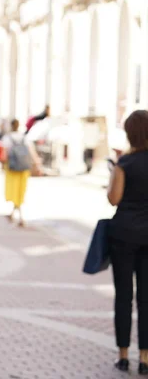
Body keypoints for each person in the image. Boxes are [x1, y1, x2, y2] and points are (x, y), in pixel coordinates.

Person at [107, 110, 148, 375]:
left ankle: (123, 356)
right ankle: (145, 358)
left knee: (124, 296)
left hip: (123, 235)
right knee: (147, 298)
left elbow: (114, 199)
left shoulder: (124, 163)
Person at [2, 118, 40, 227]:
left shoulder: (7, 138)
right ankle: (16, 214)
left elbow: (4, 154)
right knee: (20, 191)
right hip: (24, 167)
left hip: (12, 167)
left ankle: (20, 217)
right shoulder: (25, 138)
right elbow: (32, 152)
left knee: (13, 190)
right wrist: (37, 164)